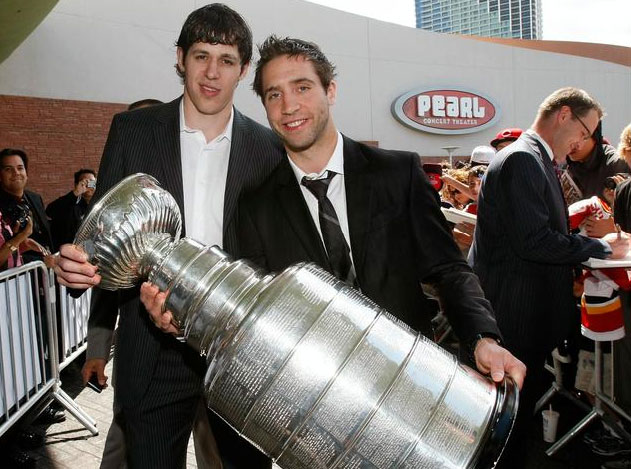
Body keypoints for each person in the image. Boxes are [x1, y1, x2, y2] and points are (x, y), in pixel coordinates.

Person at [213, 35, 523, 389]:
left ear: (330, 90)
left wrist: (482, 338)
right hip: (316, 393)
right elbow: (257, 310)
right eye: (274, 94)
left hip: (412, 381)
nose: (289, 106)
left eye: (302, 87)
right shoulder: (255, 204)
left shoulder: (399, 175)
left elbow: (448, 269)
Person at [53, 4, 284, 468]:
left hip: (239, 359)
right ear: (180, 58)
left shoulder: (269, 148)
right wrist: (77, 269)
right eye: (201, 56)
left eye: (226, 59)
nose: (212, 73)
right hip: (151, 354)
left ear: (243, 69)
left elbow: (277, 259)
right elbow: (101, 241)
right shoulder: (133, 131)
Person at [469, 87, 630, 468]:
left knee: (513, 422)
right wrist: (603, 248)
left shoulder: (531, 158)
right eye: (585, 131)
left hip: (519, 309)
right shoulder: (524, 159)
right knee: (507, 424)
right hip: (515, 314)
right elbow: (534, 241)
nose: (582, 142)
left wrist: (588, 241)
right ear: (564, 115)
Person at [0, 149, 54, 266]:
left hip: (48, 273)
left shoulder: (35, 198)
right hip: (19, 277)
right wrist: (40, 262)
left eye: (20, 168)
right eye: (8, 169)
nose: (16, 173)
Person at [46, 169, 97, 251]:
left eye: (92, 182)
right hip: (67, 252)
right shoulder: (70, 202)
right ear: (77, 184)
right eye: (85, 182)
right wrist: (75, 193)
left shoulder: (98, 206)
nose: (89, 185)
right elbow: (50, 211)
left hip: (89, 252)